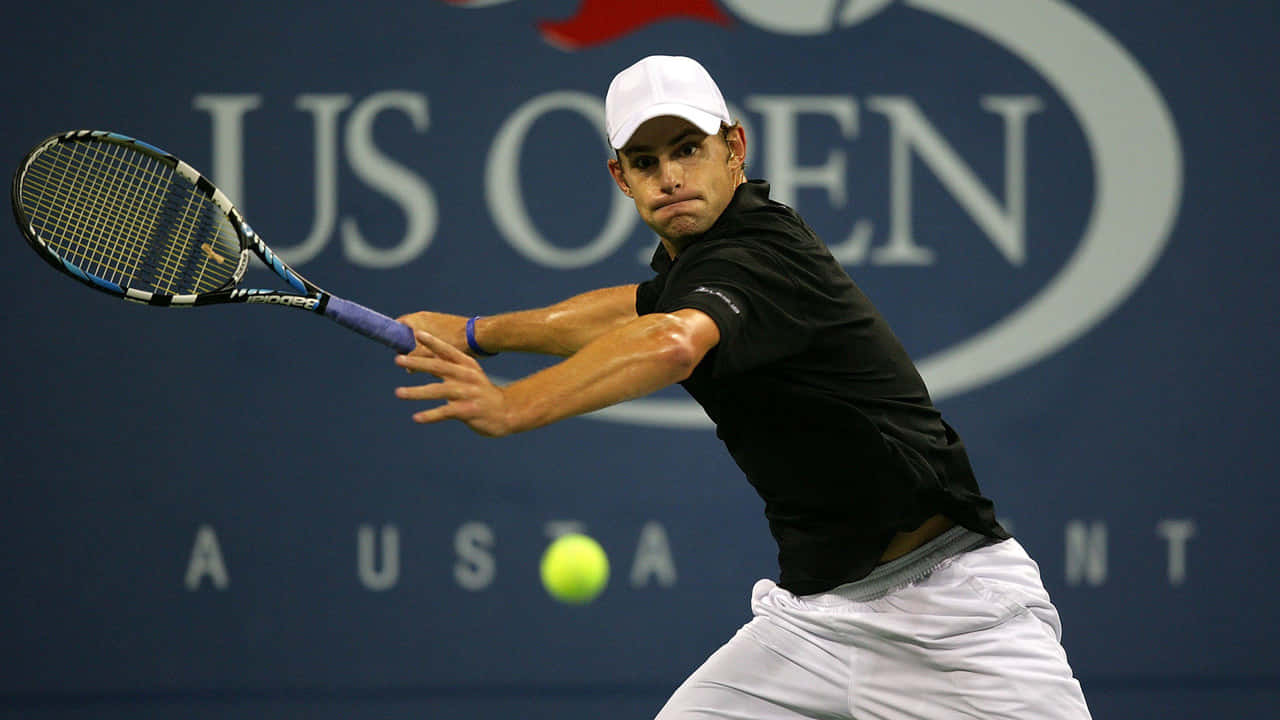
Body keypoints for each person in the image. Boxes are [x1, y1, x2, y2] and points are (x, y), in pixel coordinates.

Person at [394, 55, 1092, 719]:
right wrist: (480, 330)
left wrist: (514, 403)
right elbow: (636, 309)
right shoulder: (690, 266)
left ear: (735, 147)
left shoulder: (759, 250)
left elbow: (670, 341)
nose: (670, 176)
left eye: (688, 148)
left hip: (956, 615)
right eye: (646, 161)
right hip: (816, 624)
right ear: (621, 178)